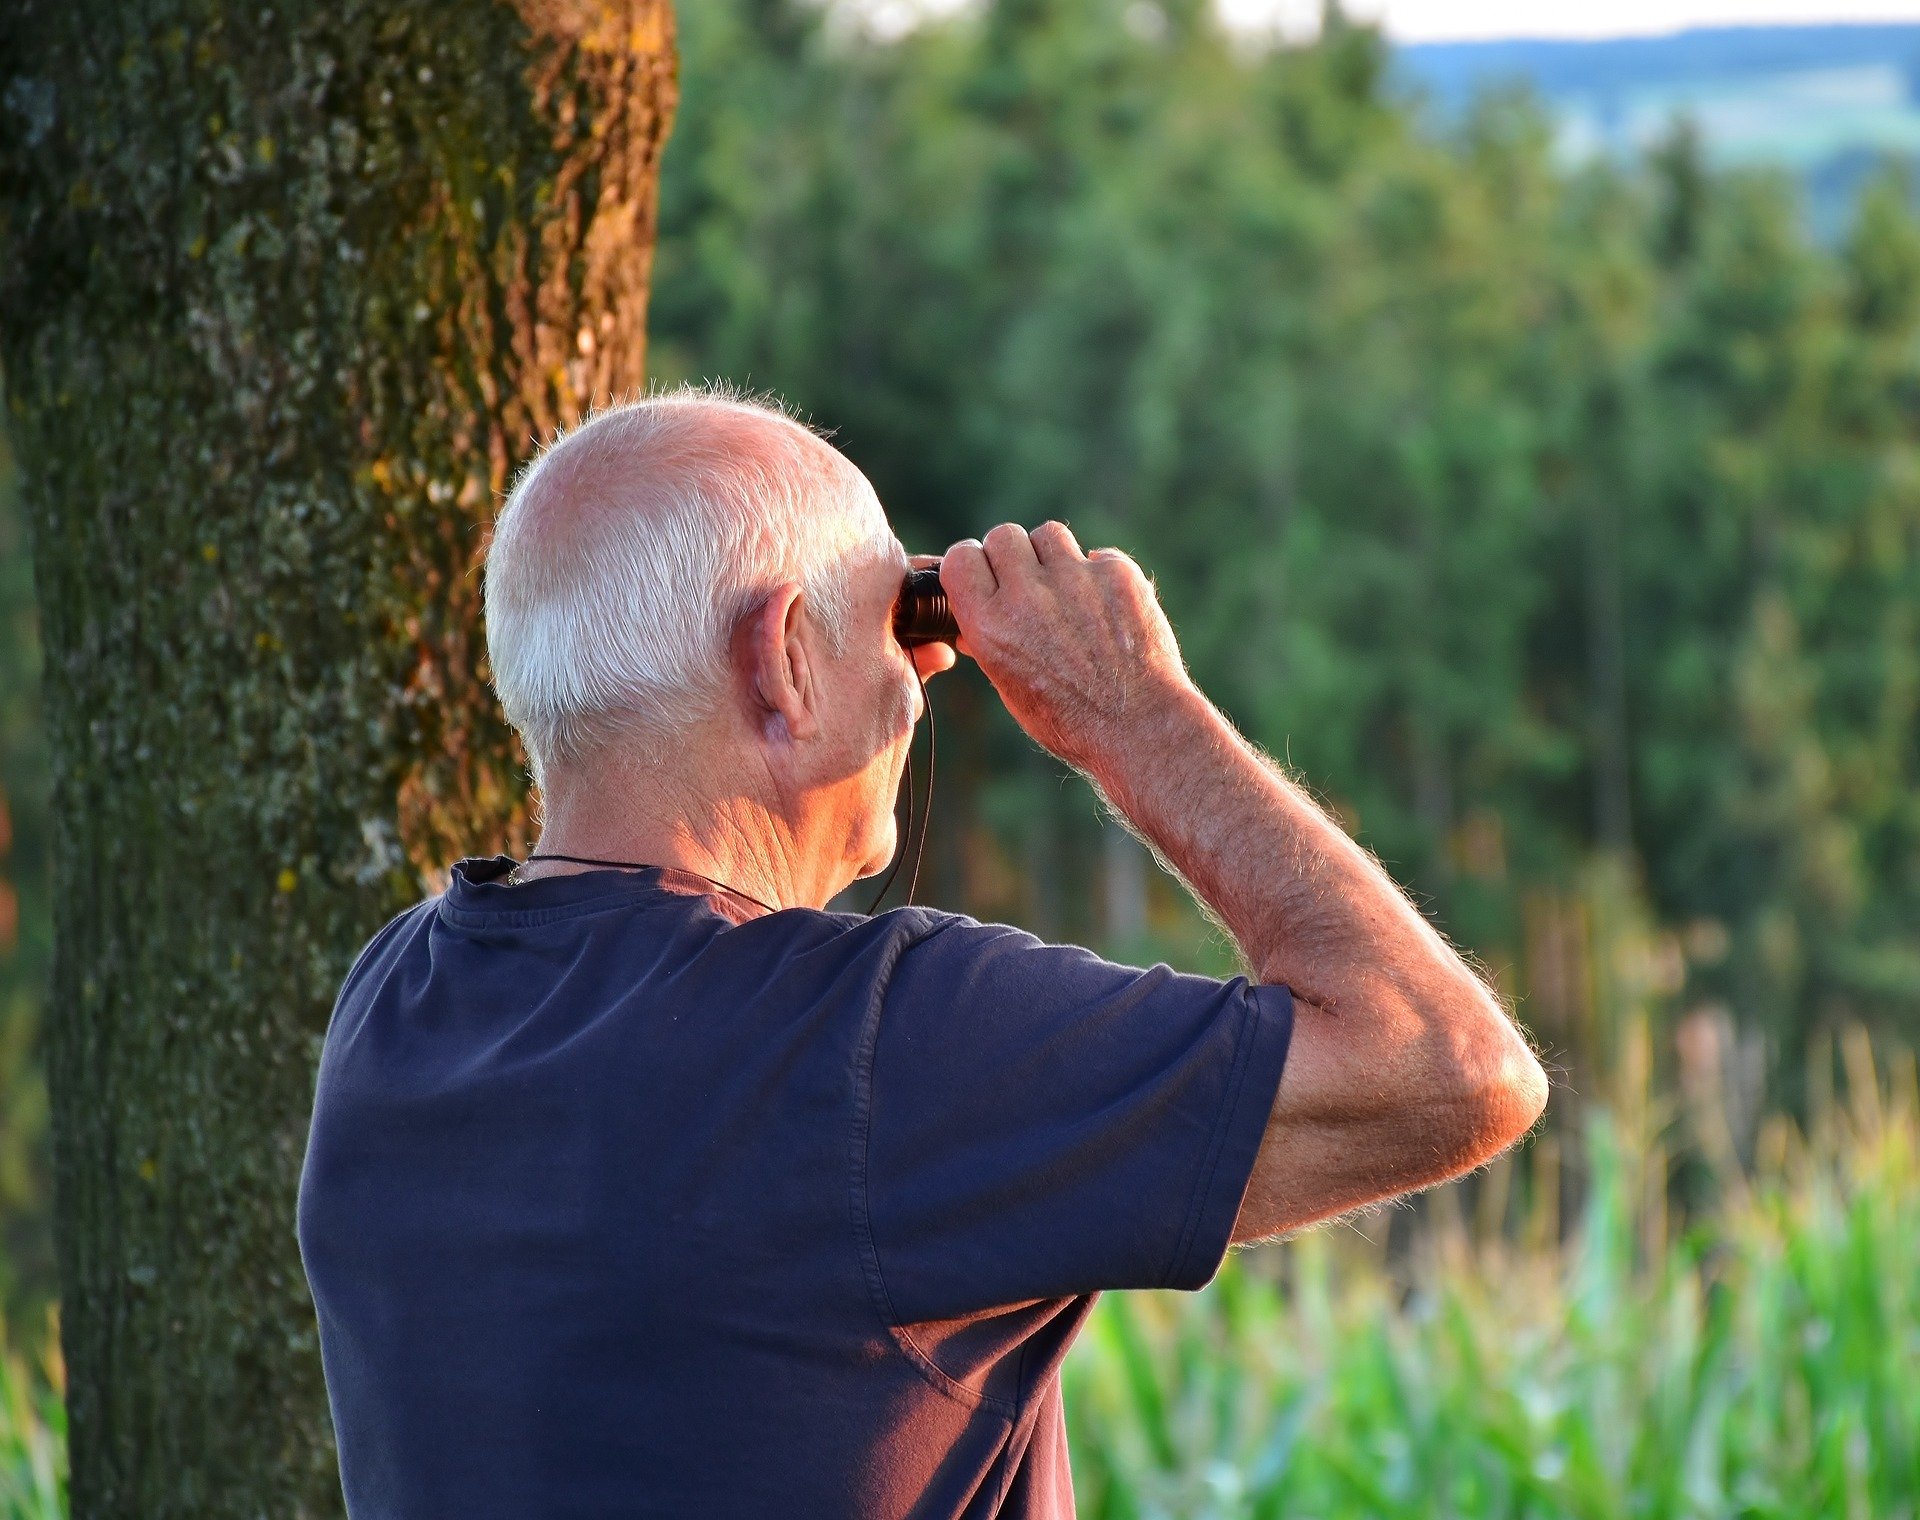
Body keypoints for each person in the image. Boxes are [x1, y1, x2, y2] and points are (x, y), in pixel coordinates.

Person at [296, 386, 1548, 1519]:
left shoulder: (394, 1011)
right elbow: (1446, 1065)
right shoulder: (872, 1047)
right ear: (781, 661)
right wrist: (1134, 712)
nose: (918, 684)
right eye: (893, 624)